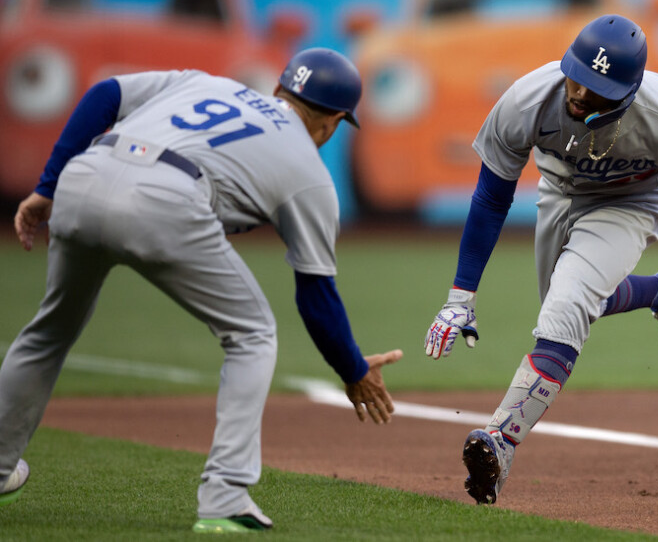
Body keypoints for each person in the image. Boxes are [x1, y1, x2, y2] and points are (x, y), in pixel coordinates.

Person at [0, 48, 403, 531]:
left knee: (49, 331)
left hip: (85, 175)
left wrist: (47, 187)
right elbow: (316, 295)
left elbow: (104, 95)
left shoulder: (206, 83)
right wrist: (353, 369)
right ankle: (225, 495)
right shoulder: (311, 176)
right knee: (252, 334)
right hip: (165, 198)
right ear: (335, 122)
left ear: (278, 90)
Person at [423, 14, 658, 504]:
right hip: (559, 194)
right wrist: (461, 297)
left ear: (629, 93)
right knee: (571, 307)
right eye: (577, 76)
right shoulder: (525, 101)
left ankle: (501, 440)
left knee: (564, 313)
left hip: (630, 202)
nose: (580, 93)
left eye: (598, 87)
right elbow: (491, 199)